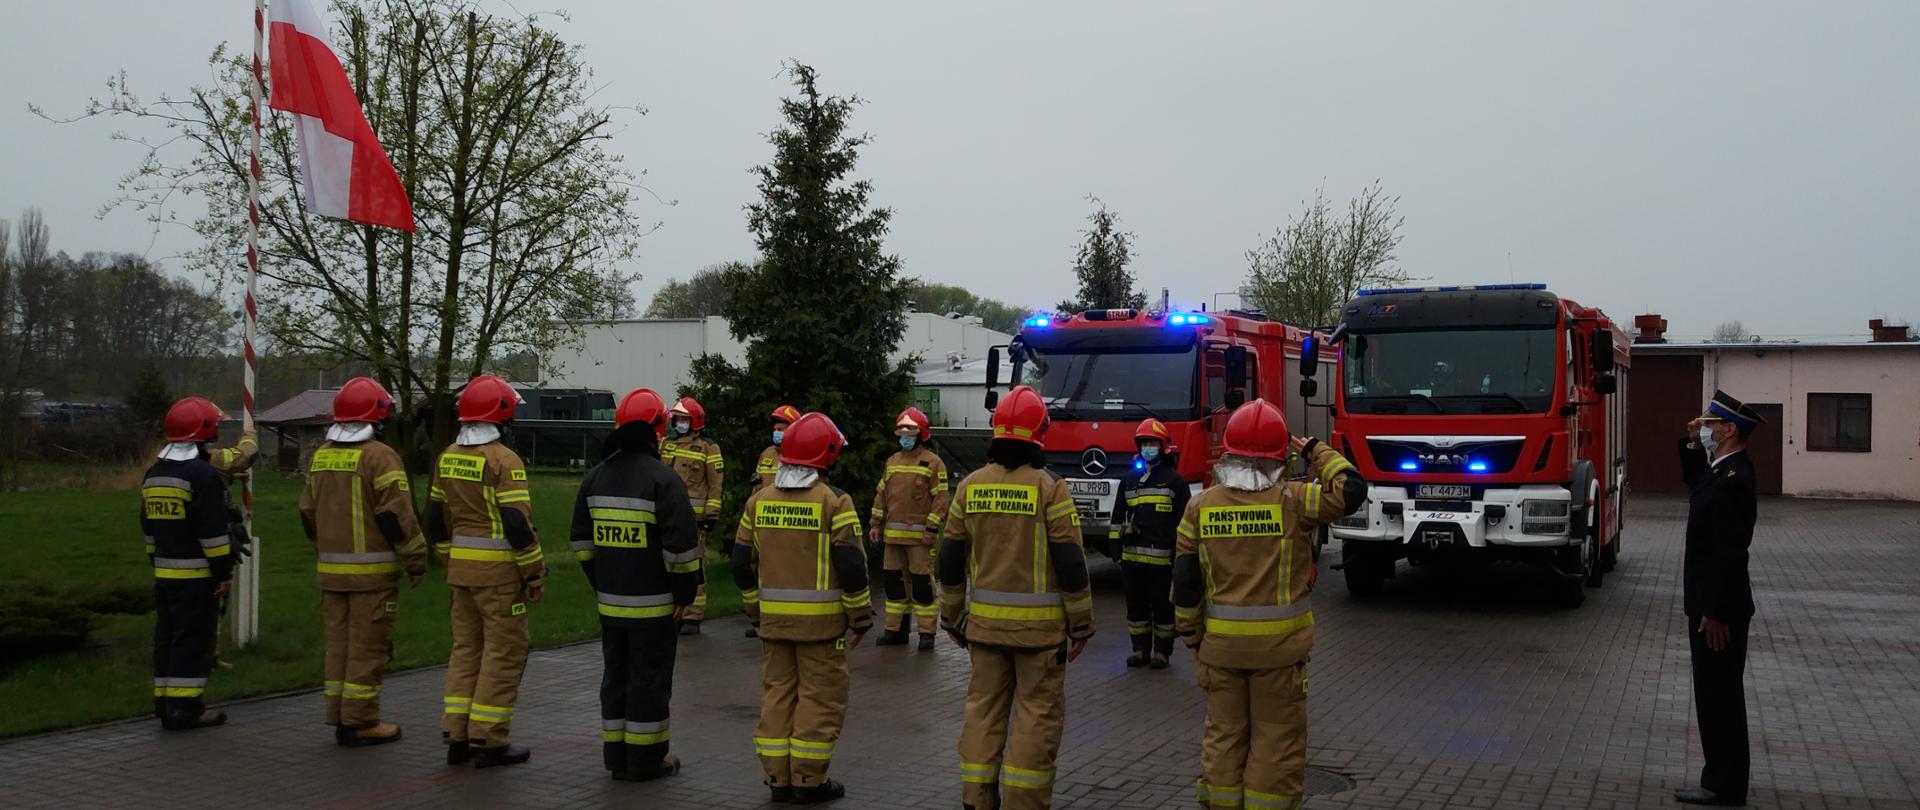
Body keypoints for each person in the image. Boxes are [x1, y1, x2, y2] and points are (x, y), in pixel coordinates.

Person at [1172, 399, 1362, 810]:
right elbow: (1352, 489)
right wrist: (1316, 449)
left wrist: (1191, 637)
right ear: (1282, 455)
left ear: (1228, 450)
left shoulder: (1200, 506)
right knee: (1276, 744)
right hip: (1280, 654)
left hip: (1219, 650)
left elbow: (1186, 582)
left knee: (1223, 739)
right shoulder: (1294, 500)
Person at [938, 385, 1095, 810]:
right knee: (1035, 718)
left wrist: (951, 617)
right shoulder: (1051, 489)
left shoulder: (969, 487)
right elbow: (1071, 566)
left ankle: (976, 799)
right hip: (1040, 637)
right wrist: (1081, 625)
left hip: (984, 631)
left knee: (982, 714)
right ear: (1039, 433)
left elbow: (949, 560)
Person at [732, 411, 872, 804]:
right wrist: (860, 617)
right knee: (819, 698)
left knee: (777, 695)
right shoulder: (834, 502)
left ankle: (777, 779)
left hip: (773, 625)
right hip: (822, 630)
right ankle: (808, 781)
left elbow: (741, 563)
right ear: (826, 455)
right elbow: (851, 566)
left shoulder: (758, 501)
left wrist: (755, 611)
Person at [572, 388, 702, 781]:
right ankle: (646, 761)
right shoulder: (663, 480)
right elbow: (680, 549)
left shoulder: (594, 478)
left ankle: (617, 758)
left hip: (611, 606)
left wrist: (603, 583)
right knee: (649, 681)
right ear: (657, 428)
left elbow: (581, 543)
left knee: (615, 678)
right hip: (655, 607)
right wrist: (684, 595)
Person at [297, 377, 428, 747]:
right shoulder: (379, 456)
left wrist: (323, 548)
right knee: (367, 649)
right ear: (378, 418)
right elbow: (397, 518)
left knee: (338, 647)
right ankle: (361, 721)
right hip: (372, 578)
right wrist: (416, 560)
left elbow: (306, 512)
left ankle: (339, 714)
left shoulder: (322, 455)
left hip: (330, 575)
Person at [429, 374, 545, 768]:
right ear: (502, 415)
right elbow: (516, 524)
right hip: (499, 579)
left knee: (466, 651)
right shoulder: (503, 460)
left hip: (461, 576)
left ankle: (456, 735)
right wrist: (534, 573)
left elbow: (435, 521)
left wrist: (450, 559)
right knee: (503, 653)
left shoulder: (447, 456)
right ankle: (489, 738)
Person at [1674, 390, 1765, 807]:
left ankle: (1724, 786)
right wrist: (1693, 441)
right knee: (1713, 695)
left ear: (1729, 430)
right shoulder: (1721, 470)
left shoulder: (1735, 479)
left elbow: (1729, 552)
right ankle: (1720, 779)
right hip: (1710, 603)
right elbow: (1695, 481)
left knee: (1721, 697)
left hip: (1719, 609)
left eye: (1709, 425)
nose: (1702, 428)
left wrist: (1715, 611)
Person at [141, 397, 244, 730]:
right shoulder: (201, 475)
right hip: (197, 576)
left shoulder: (154, 474)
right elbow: (212, 534)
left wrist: (156, 561)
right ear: (206, 431)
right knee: (191, 641)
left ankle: (165, 703)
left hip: (164, 574)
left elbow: (148, 529)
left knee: (166, 639)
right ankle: (186, 709)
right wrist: (223, 573)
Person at [1109, 418, 1189, 669]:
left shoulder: (1175, 482)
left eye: (1152, 443)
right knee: (1136, 607)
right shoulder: (1129, 480)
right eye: (1144, 443)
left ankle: (1162, 652)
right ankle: (1140, 650)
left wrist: (1181, 555)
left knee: (1162, 609)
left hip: (1163, 562)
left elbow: (1185, 523)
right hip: (1132, 560)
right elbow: (1118, 515)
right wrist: (1114, 545)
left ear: (1163, 446)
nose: (1148, 448)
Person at [870, 406, 951, 650]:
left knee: (922, 586)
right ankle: (895, 631)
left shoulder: (933, 463)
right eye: (902, 433)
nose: (905, 438)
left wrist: (932, 529)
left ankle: (927, 633)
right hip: (893, 539)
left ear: (921, 435)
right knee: (894, 586)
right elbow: (881, 495)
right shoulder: (892, 462)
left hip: (920, 540)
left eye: (910, 433)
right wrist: (875, 524)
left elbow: (941, 500)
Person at [664, 396, 725, 635]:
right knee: (668, 564)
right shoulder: (667, 444)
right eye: (677, 418)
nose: (679, 422)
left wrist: (711, 516)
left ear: (695, 421)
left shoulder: (709, 448)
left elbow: (716, 485)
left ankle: (693, 615)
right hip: (668, 517)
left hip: (694, 520)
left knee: (694, 567)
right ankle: (673, 612)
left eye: (683, 418)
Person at [756, 404, 803, 493]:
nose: (776, 433)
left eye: (780, 430)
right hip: (765, 505)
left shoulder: (802, 454)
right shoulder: (766, 454)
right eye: (775, 430)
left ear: (793, 430)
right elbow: (756, 486)